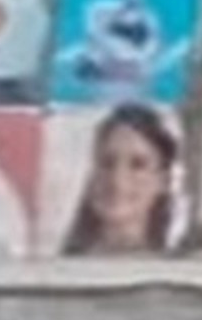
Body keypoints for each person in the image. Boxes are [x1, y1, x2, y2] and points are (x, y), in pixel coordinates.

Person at [62, 97, 183, 261]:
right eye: (107, 163)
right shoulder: (60, 267)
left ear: (163, 181)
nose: (118, 179)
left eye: (138, 165)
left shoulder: (174, 269)